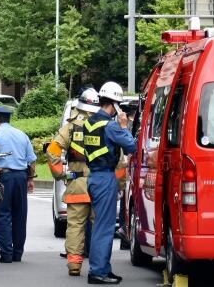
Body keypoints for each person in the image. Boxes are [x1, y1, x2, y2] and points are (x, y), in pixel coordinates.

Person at [84, 82, 135, 285]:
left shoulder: (90, 122)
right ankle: (97, 271)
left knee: (101, 225)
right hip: (105, 178)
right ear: (115, 105)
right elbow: (131, 146)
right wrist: (124, 126)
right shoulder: (111, 125)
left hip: (94, 176)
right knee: (104, 228)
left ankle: (104, 268)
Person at [46, 88, 100, 276]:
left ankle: (74, 265)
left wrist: (60, 174)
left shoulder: (70, 127)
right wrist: (117, 185)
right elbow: (118, 159)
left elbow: (52, 151)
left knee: (75, 226)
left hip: (77, 184)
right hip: (100, 184)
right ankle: (99, 264)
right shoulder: (106, 125)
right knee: (100, 225)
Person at [0, 105, 36, 263]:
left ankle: (6, 253)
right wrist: (30, 179)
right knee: (19, 215)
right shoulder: (22, 134)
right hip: (21, 177)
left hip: (4, 177)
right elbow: (32, 160)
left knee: (1, 214)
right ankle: (17, 253)